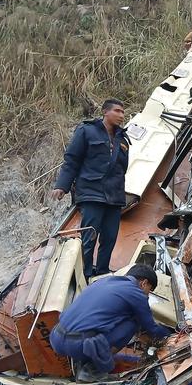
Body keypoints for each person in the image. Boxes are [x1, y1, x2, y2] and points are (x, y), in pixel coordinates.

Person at [50, 264, 172, 382]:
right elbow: (151, 327)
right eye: (149, 291)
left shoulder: (105, 281)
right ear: (144, 283)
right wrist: (171, 335)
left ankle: (83, 362)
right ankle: (93, 370)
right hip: (78, 345)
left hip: (56, 336)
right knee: (133, 323)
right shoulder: (136, 292)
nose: (147, 295)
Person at [52, 99, 129, 279]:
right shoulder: (87, 131)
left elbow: (122, 169)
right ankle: (84, 275)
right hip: (92, 192)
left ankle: (101, 274)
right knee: (89, 237)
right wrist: (61, 186)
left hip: (115, 196)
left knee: (109, 239)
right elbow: (72, 160)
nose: (121, 116)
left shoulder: (123, 139)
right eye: (117, 111)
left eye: (123, 112)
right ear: (105, 112)